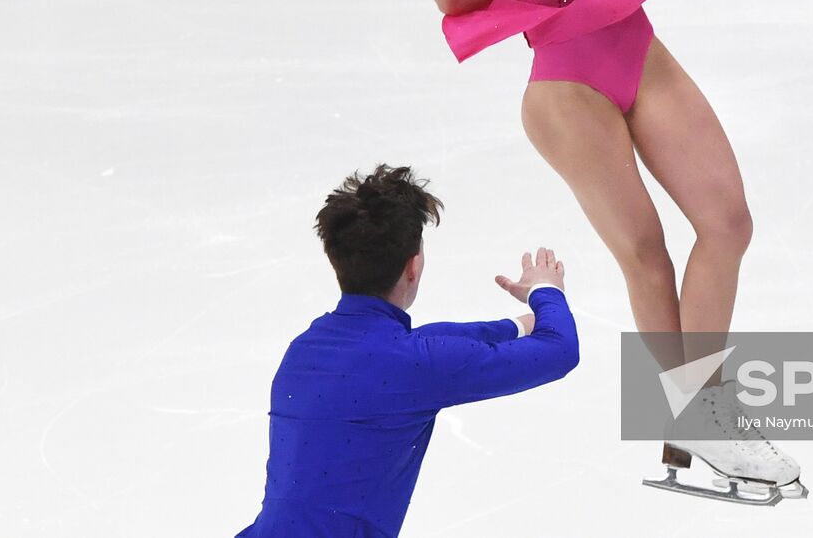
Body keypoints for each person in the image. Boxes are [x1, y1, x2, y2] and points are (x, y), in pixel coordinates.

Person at [413, 0, 805, 502]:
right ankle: (702, 413)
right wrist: (535, 1)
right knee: (647, 251)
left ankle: (698, 412)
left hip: (639, 52)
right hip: (564, 87)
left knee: (728, 223)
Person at [235, 164, 579, 537]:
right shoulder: (416, 364)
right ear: (413, 267)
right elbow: (561, 350)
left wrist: (515, 326)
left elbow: (417, 349)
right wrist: (546, 292)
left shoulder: (305, 348)